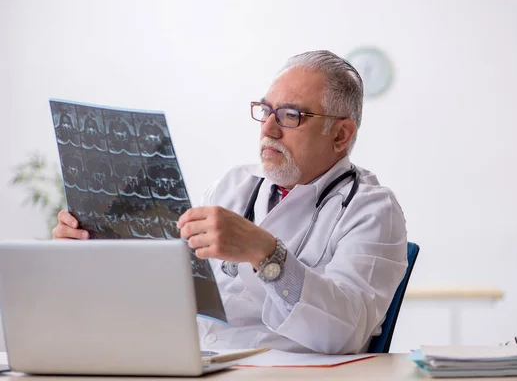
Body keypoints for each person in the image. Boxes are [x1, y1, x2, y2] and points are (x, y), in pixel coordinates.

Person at [52, 50, 408, 354]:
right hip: (199, 362)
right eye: (266, 110)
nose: (268, 129)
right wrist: (97, 251)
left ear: (341, 134)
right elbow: (171, 289)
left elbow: (344, 332)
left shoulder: (372, 210)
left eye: (290, 115)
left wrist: (267, 254)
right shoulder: (234, 185)